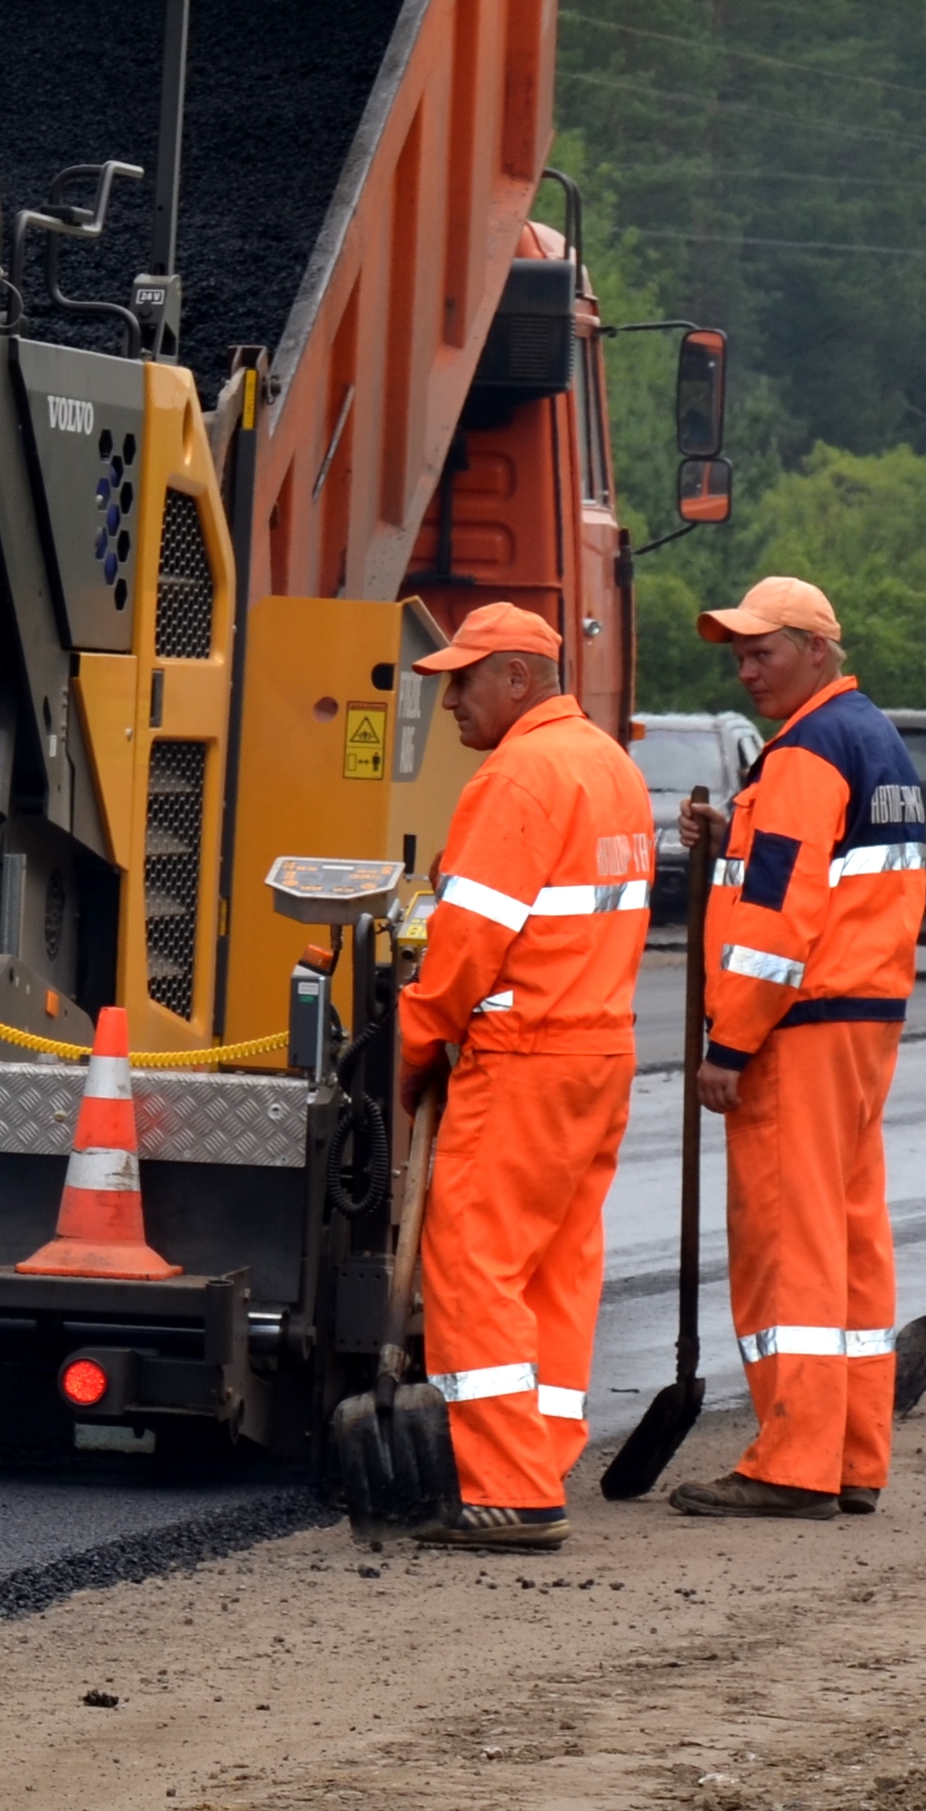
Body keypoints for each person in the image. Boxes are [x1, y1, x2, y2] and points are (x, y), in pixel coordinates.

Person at [397, 600, 655, 1553]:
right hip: (599, 1052)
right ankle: (539, 1457)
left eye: (462, 680)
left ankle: (506, 1488)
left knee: (474, 1261)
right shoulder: (610, 768)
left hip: (524, 1054)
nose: (450, 700)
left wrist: (409, 1047)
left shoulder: (520, 777)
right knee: (557, 1265)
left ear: (516, 678)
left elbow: (465, 949)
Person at [672, 575, 923, 1521]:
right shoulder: (870, 739)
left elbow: (778, 919)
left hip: (798, 1026)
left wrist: (728, 1045)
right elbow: (818, 865)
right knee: (851, 1235)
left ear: (818, 649)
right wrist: (730, 826)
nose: (746, 670)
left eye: (762, 651)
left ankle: (793, 1460)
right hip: (862, 1020)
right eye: (739, 654)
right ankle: (854, 1452)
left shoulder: (805, 753)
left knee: (789, 1240)